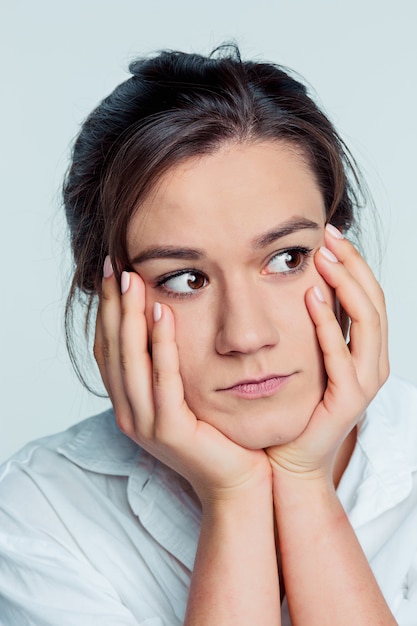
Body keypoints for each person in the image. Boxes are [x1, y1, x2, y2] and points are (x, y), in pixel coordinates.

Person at [0, 45, 416, 625]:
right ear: (114, 304)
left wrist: (301, 483)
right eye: (186, 279)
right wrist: (236, 498)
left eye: (287, 258)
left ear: (343, 254)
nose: (246, 335)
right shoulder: (42, 514)